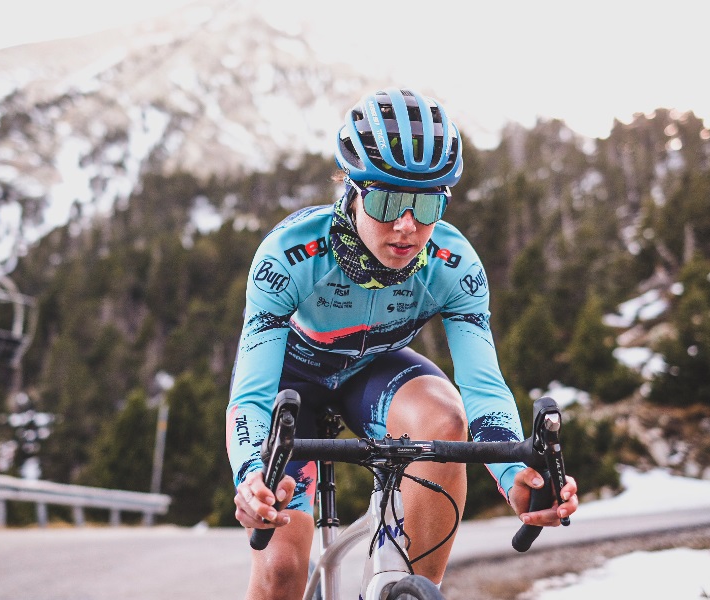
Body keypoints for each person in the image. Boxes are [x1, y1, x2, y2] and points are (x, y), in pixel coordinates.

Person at [226, 88, 579, 599]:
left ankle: (411, 589)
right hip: (291, 385)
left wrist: (514, 473)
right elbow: (252, 394)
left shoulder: (455, 265)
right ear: (352, 189)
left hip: (372, 372)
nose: (407, 226)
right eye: (387, 201)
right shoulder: (289, 255)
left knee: (446, 419)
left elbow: (483, 387)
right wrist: (251, 476)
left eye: (426, 203)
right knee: (282, 567)